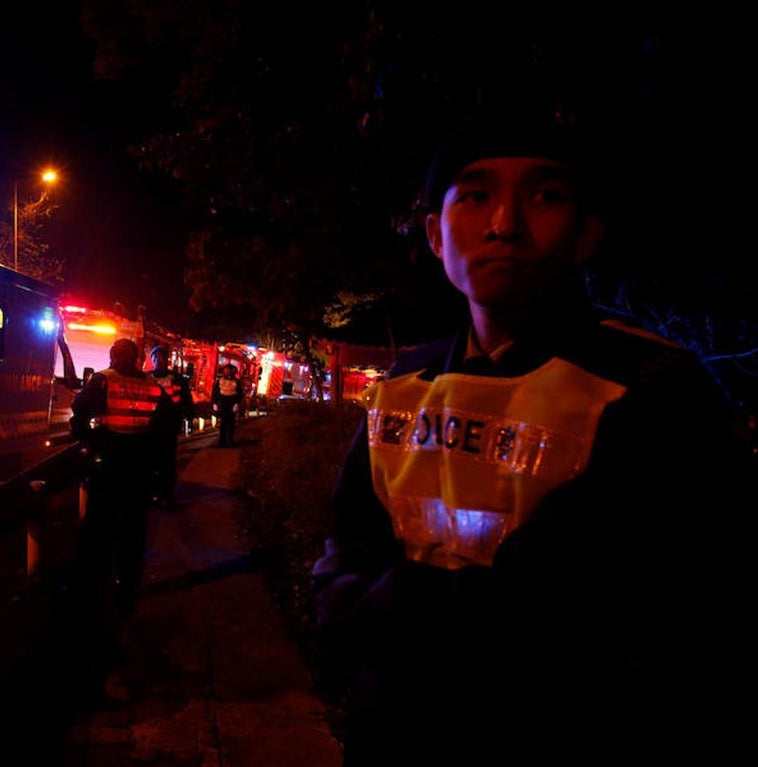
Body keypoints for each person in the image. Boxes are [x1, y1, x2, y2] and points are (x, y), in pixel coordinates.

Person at [310, 103, 757, 763]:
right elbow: (341, 565)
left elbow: (591, 614)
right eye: (475, 196)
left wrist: (391, 611)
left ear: (587, 232)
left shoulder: (649, 388)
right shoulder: (403, 383)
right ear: (435, 234)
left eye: (545, 196)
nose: (504, 224)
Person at [68, 338, 168, 661]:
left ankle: (90, 590)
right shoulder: (152, 386)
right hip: (139, 464)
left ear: (113, 355)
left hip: (110, 459)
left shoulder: (104, 380)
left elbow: (79, 414)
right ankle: (127, 586)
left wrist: (92, 439)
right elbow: (164, 426)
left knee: (99, 526)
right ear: (137, 358)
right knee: (134, 527)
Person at [147, 344, 195, 508]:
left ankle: (167, 494)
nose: (159, 360)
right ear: (152, 359)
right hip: (150, 426)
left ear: (167, 359)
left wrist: (189, 416)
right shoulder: (146, 378)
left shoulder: (177, 379)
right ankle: (151, 492)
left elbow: (185, 398)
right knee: (149, 461)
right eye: (156, 357)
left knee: (167, 461)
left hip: (169, 425)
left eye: (162, 357)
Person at [211, 363, 243, 447]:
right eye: (225, 370)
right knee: (223, 423)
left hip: (232, 403)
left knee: (231, 423)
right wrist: (214, 402)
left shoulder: (236, 381)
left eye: (228, 370)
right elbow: (215, 392)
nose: (227, 372)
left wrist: (236, 403)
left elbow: (240, 394)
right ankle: (222, 441)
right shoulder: (220, 381)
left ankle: (230, 440)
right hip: (223, 403)